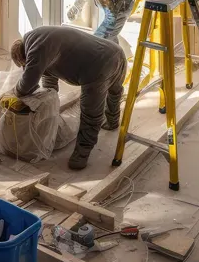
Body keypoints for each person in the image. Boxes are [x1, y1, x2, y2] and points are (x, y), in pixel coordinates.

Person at [10, 25, 126, 170]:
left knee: (90, 110)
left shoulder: (35, 49)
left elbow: (27, 82)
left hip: (98, 65)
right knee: (115, 91)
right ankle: (113, 120)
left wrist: (13, 94)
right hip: (115, 52)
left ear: (24, 57)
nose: (25, 68)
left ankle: (82, 153)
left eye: (24, 65)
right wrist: (49, 102)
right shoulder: (39, 38)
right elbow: (49, 80)